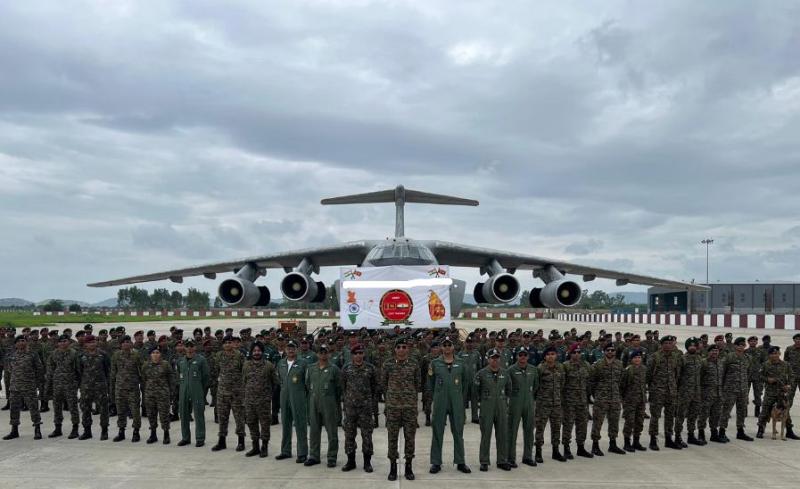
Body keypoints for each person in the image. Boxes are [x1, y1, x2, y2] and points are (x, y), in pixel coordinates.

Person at [427, 336, 471, 474]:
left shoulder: (461, 363)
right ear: (441, 347)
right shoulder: (435, 363)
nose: (447, 347)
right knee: (437, 431)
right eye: (444, 345)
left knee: (458, 431)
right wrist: (437, 396)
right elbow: (430, 383)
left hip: (456, 401)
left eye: (449, 345)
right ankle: (436, 462)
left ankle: (460, 461)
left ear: (453, 347)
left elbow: (466, 383)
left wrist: (460, 398)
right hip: (440, 401)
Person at [383, 337, 420, 481]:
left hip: (409, 408)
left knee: (410, 438)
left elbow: (418, 384)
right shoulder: (388, 364)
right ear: (395, 349)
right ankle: (392, 467)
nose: (401, 350)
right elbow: (384, 383)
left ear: (408, 349)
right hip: (393, 408)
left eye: (404, 347)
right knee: (392, 438)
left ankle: (408, 467)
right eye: (398, 347)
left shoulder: (414, 364)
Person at [341, 343, 378, 473]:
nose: (358, 356)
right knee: (349, 434)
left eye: (361, 353)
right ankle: (351, 461)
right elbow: (343, 386)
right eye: (356, 353)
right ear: (352, 355)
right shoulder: (346, 368)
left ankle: (367, 462)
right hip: (350, 408)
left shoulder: (370, 369)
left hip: (365, 408)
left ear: (364, 354)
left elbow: (375, 387)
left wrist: (369, 401)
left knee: (367, 435)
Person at [474, 348, 511, 472]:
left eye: (497, 358)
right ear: (488, 359)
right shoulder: (481, 374)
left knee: (502, 435)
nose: (495, 360)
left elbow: (509, 389)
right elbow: (475, 391)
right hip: (487, 407)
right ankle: (484, 461)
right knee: (486, 435)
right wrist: (482, 402)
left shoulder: (505, 373)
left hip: (501, 407)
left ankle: (502, 460)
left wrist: (504, 402)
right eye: (492, 358)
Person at [306, 343, 342, 467]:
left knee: (331, 431)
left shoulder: (334, 369)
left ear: (329, 354)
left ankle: (332, 457)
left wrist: (333, 401)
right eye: (320, 352)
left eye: (325, 352)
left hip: (329, 403)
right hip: (314, 402)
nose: (323, 354)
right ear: (317, 354)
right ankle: (314, 455)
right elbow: (308, 385)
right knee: (314, 430)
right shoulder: (311, 368)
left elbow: (339, 388)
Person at [242, 341, 279, 458]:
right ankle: (255, 447)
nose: (256, 353)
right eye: (254, 351)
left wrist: (268, 395)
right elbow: (244, 381)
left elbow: (275, 382)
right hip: (249, 401)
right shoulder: (246, 365)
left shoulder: (268, 365)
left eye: (258, 351)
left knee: (265, 424)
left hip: (264, 401)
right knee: (251, 423)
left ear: (262, 352)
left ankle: (264, 447)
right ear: (251, 352)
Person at [275, 340, 309, 463]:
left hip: (298, 397)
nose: (290, 350)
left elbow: (307, 382)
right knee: (285, 424)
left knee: (300, 424)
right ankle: (285, 451)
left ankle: (302, 453)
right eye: (288, 348)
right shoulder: (281, 363)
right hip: (284, 397)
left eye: (293, 348)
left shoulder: (303, 363)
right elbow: (279, 379)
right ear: (285, 349)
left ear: (297, 349)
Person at [3, 335, 43, 440]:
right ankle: (14, 430)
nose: (22, 342)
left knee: (33, 408)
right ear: (16, 344)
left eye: (24, 341)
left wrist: (37, 383)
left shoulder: (32, 354)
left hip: (29, 386)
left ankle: (37, 429)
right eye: (19, 341)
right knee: (14, 409)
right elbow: (9, 369)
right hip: (15, 386)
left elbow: (39, 369)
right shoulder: (11, 355)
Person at [590, 343, 625, 456]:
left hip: (615, 398)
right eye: (608, 350)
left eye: (612, 350)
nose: (610, 352)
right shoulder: (598, 365)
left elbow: (622, 381)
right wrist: (596, 394)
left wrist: (619, 395)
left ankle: (613, 444)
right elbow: (592, 381)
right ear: (604, 352)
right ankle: (595, 445)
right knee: (598, 422)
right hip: (601, 399)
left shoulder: (619, 364)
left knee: (614, 422)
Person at [213, 336, 246, 452]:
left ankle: (241, 441)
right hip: (222, 392)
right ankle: (222, 441)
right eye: (225, 343)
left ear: (233, 344)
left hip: (236, 392)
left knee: (239, 418)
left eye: (230, 342)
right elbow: (216, 370)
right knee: (222, 418)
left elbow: (244, 371)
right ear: (223, 345)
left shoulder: (239, 356)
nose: (228, 344)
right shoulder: (219, 356)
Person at [647, 335, 680, 450]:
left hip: (671, 391)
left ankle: (668, 439)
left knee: (670, 416)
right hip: (657, 392)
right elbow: (648, 375)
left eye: (670, 343)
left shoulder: (675, 357)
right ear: (661, 345)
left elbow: (676, 374)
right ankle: (653, 439)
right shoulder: (654, 357)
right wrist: (652, 388)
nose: (668, 345)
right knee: (655, 416)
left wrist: (674, 387)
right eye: (665, 343)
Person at [507, 346, 538, 467]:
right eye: (520, 355)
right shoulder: (511, 370)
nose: (523, 357)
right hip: (515, 402)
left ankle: (527, 456)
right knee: (512, 430)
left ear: (528, 356)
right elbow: (507, 386)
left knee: (529, 430)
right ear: (517, 356)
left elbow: (536, 385)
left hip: (529, 402)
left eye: (525, 355)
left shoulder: (533, 369)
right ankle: (511, 457)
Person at [46, 334, 80, 439]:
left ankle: (75, 428)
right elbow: (50, 369)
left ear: (69, 342)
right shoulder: (54, 354)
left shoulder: (74, 354)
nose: (62, 343)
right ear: (58, 343)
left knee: (73, 407)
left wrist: (77, 383)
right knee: (57, 407)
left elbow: (78, 369)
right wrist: (49, 384)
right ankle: (58, 428)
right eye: (60, 342)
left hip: (70, 384)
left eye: (65, 341)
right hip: (57, 384)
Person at [535, 346, 566, 463]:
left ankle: (555, 451)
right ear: (544, 357)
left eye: (553, 354)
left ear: (556, 355)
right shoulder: (540, 368)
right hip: (543, 403)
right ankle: (538, 451)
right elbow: (536, 385)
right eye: (548, 354)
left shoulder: (560, 368)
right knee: (540, 428)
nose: (550, 356)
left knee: (556, 427)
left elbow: (562, 383)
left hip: (556, 403)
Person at [720, 337, 754, 442]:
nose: (741, 347)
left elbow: (748, 373)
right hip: (730, 389)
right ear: (735, 346)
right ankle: (721, 431)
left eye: (743, 345)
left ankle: (740, 432)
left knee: (742, 411)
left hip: (743, 389)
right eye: (739, 345)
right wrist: (722, 387)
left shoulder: (747, 358)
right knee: (726, 411)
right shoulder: (729, 357)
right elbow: (722, 372)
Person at [111, 335, 144, 443]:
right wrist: (112, 388)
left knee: (135, 411)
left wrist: (141, 384)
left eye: (128, 342)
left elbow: (141, 370)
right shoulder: (116, 355)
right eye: (124, 342)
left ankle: (136, 431)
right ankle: (121, 431)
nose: (126, 344)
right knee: (121, 411)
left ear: (131, 343)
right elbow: (113, 372)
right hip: (120, 388)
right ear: (120, 344)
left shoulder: (136, 355)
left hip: (132, 388)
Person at [77, 335, 111, 440]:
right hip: (86, 387)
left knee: (103, 409)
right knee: (85, 408)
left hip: (100, 386)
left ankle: (104, 431)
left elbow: (107, 370)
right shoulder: (81, 356)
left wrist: (106, 383)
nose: (92, 344)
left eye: (94, 342)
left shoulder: (103, 355)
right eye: (89, 342)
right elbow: (79, 371)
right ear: (85, 344)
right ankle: (87, 431)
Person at [176, 340, 209, 447]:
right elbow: (178, 376)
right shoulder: (181, 361)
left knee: (198, 414)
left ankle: (200, 438)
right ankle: (185, 438)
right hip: (183, 390)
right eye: (187, 346)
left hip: (197, 390)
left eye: (191, 346)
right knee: (184, 414)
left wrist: (201, 390)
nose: (189, 348)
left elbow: (206, 377)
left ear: (195, 347)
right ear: (184, 348)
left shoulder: (201, 360)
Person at [562, 343, 591, 459]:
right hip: (569, 401)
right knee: (568, 425)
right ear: (570, 353)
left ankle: (581, 447)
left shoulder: (586, 365)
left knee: (582, 425)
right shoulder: (565, 366)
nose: (577, 354)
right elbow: (561, 383)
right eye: (574, 352)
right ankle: (566, 448)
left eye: (579, 352)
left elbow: (589, 382)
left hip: (582, 401)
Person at [141, 346, 175, 445]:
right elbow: (143, 379)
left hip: (163, 395)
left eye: (157, 352)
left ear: (160, 354)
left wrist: (171, 392)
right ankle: (153, 434)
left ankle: (166, 434)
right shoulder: (146, 365)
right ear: (150, 355)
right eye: (153, 353)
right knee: (151, 415)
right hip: (150, 394)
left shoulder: (165, 364)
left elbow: (171, 379)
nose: (155, 355)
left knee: (164, 415)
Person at [757, 346, 791, 438]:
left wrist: (788, 385)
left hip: (782, 393)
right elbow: (759, 376)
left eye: (776, 353)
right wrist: (767, 379)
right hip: (770, 392)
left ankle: (789, 430)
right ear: (769, 355)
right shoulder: (765, 365)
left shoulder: (786, 365)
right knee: (765, 410)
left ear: (779, 354)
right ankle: (761, 429)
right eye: (772, 354)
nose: (775, 355)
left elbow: (791, 376)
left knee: (786, 411)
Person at [675, 337, 704, 447]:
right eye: (690, 345)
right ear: (687, 347)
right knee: (681, 415)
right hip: (684, 392)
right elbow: (677, 376)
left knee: (693, 414)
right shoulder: (682, 359)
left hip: (696, 392)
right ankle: (677, 436)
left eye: (694, 345)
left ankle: (691, 435)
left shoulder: (699, 359)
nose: (692, 347)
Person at [620, 349, 647, 452]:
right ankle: (627, 443)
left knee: (639, 422)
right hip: (630, 400)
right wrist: (623, 400)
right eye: (635, 357)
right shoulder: (628, 370)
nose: (637, 359)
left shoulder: (644, 369)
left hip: (641, 400)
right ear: (631, 359)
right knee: (629, 422)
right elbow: (622, 385)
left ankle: (636, 442)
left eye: (639, 357)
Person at [699, 344, 725, 443]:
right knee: (704, 414)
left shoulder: (720, 363)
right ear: (708, 352)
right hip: (707, 393)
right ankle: (701, 433)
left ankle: (714, 434)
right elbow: (699, 378)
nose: (715, 352)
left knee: (716, 414)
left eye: (716, 351)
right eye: (713, 351)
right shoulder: (704, 363)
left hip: (718, 394)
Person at [457, 334, 482, 424]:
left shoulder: (477, 354)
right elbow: (457, 367)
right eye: (468, 342)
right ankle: (462, 417)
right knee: (463, 400)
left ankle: (475, 417)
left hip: (474, 380)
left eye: (471, 342)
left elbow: (479, 367)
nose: (469, 344)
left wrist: (479, 379)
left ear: (473, 343)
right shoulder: (460, 354)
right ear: (465, 343)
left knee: (474, 400)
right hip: (464, 381)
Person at [783, 333, 800, 439]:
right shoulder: (789, 349)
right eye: (797, 339)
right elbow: (785, 363)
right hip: (792, 379)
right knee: (788, 403)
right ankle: (788, 429)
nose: (798, 341)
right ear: (794, 340)